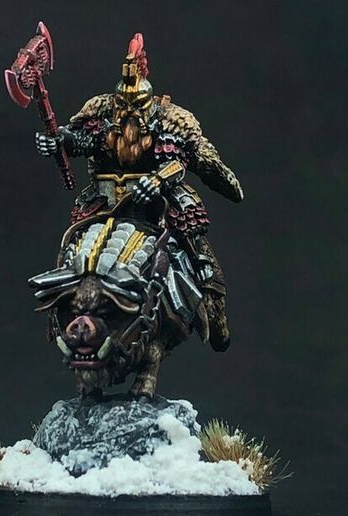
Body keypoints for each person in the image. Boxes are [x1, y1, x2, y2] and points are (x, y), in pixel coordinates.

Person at [35, 33, 243, 351]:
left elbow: (182, 160)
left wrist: (158, 181)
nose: (129, 113)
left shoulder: (170, 121)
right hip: (104, 201)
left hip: (156, 203)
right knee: (71, 248)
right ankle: (60, 313)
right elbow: (83, 140)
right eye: (124, 105)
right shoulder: (104, 113)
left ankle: (213, 307)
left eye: (137, 106)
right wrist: (60, 140)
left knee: (196, 248)